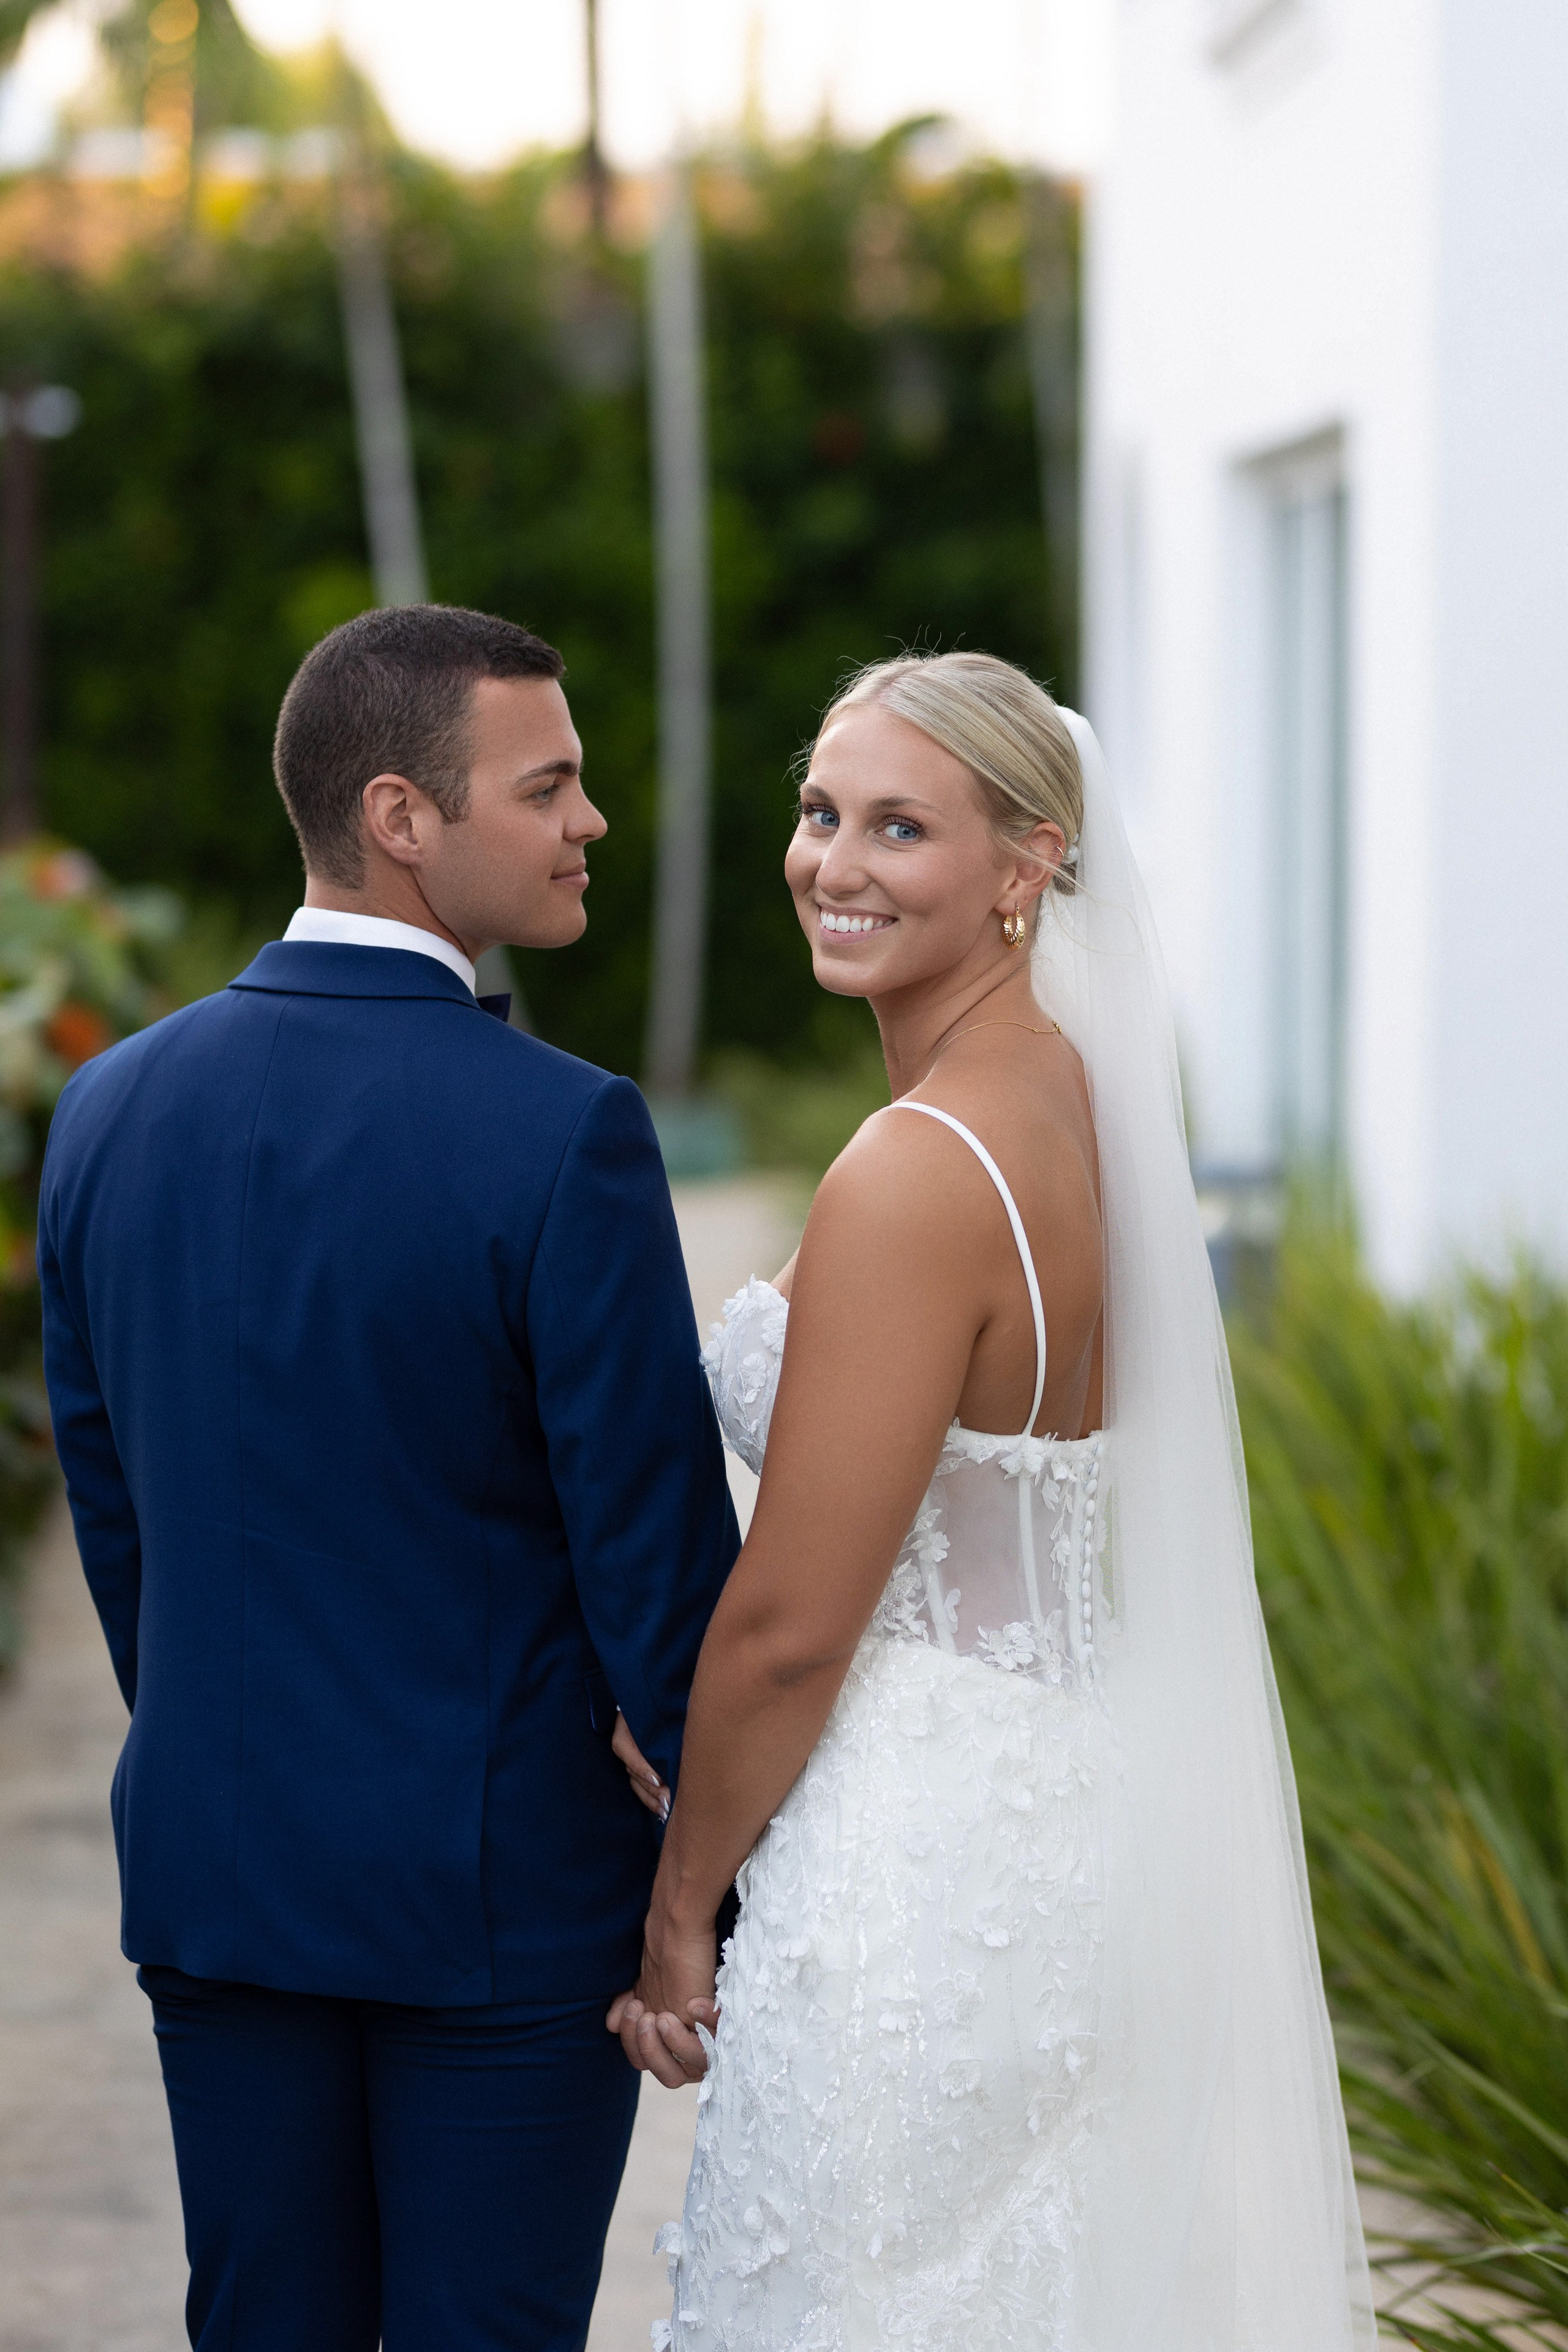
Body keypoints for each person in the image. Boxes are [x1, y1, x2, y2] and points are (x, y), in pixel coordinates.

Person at [611, 652, 1375, 2350]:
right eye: (822, 814)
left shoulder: (916, 1172)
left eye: (902, 826)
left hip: (916, 1866)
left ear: (1029, 867)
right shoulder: (1085, 1114)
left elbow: (800, 1628)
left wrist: (680, 1911)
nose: (836, 862)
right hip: (1083, 1819)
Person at [37, 604, 739, 2352]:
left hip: (221, 1874)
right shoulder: (563, 1128)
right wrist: (707, 1904)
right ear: (400, 817)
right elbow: (654, 1574)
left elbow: (116, 1517)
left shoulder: (105, 1110)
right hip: (499, 1917)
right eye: (549, 784)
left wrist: (234, 1737)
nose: (589, 820)